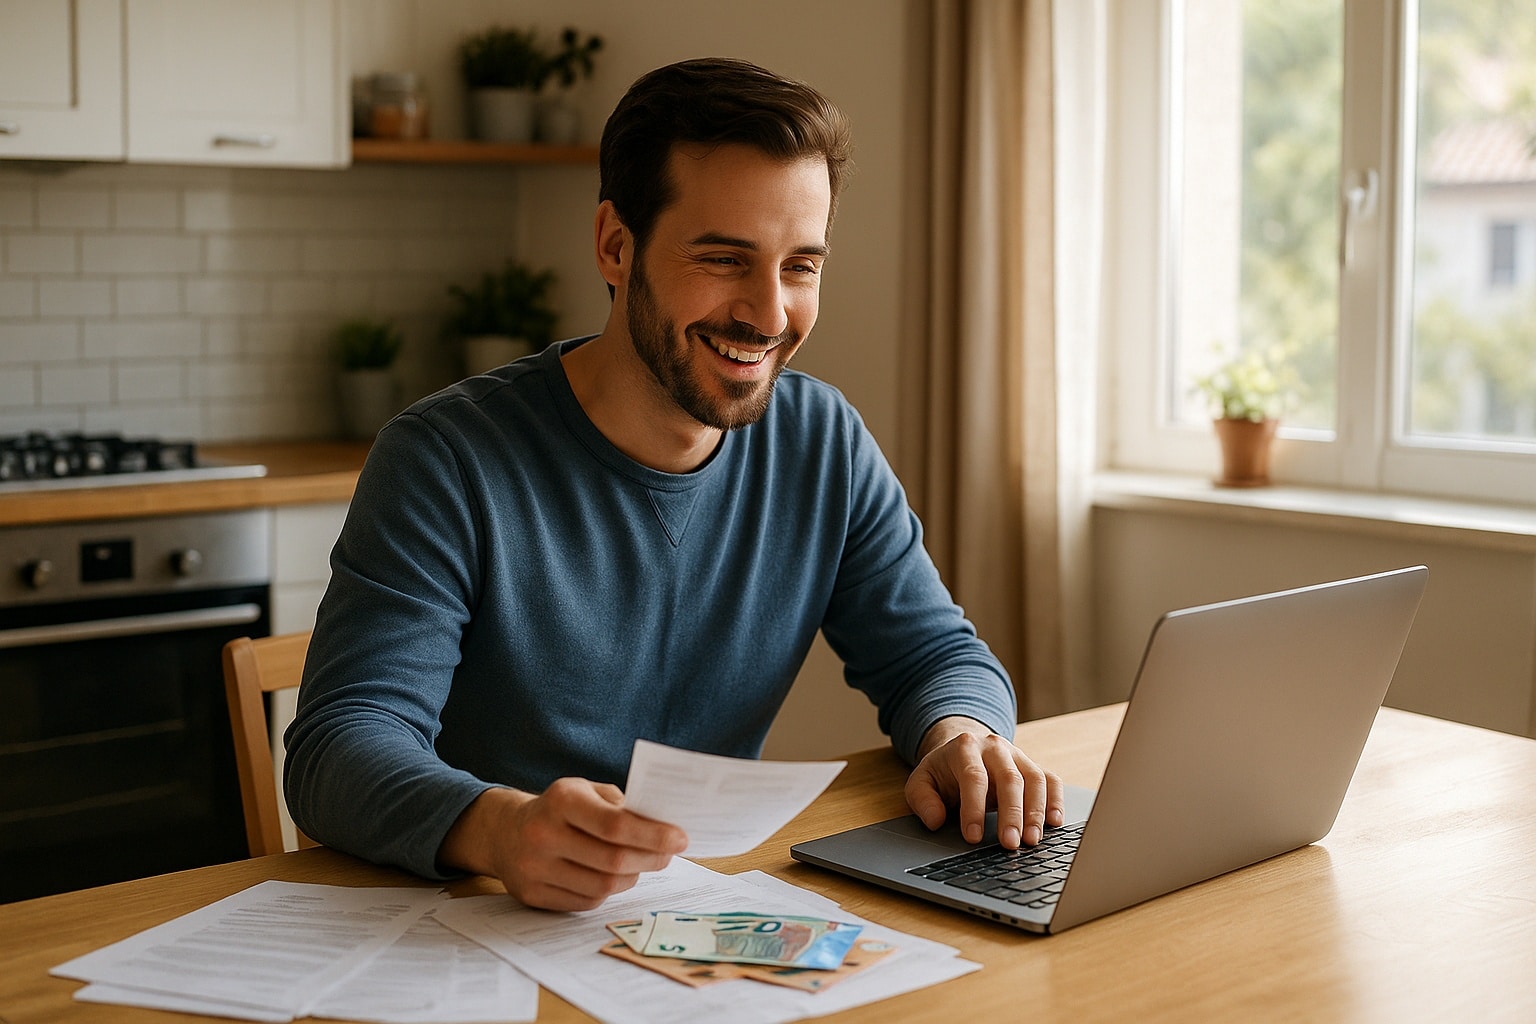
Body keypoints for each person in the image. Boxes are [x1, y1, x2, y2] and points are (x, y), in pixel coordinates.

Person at [285, 56, 1064, 913]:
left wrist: (962, 734)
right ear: (616, 246)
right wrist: (498, 829)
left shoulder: (821, 439)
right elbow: (339, 746)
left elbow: (934, 654)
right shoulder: (446, 458)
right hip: (479, 923)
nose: (768, 315)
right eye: (725, 259)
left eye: (800, 266)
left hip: (698, 913)